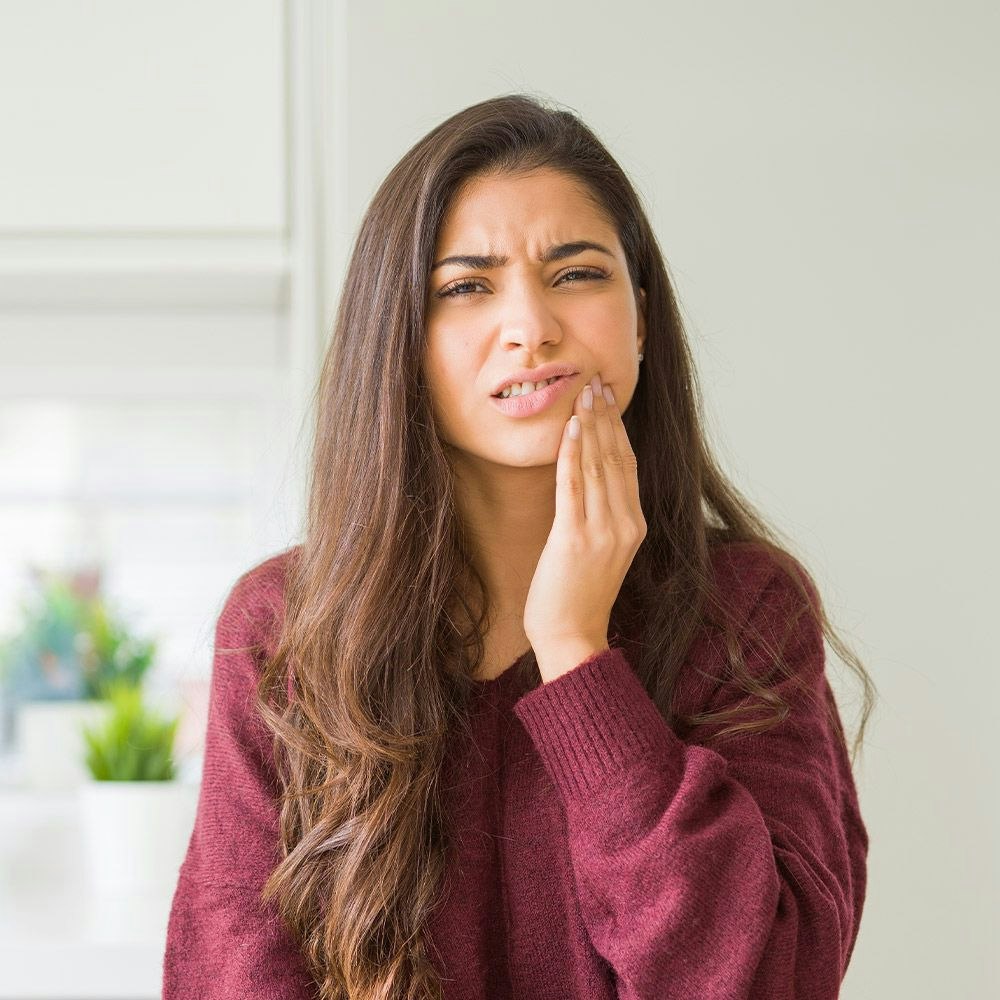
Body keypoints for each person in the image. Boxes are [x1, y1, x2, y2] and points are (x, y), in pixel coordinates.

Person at [163, 93, 876, 1000]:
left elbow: (768, 979)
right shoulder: (284, 629)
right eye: (466, 287)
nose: (530, 325)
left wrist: (578, 658)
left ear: (643, 318)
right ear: (403, 344)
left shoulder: (747, 611)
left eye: (577, 274)